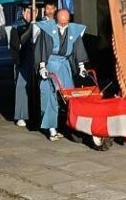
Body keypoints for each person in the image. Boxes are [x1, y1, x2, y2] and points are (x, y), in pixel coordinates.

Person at [35, 9, 88, 141]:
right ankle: (51, 128)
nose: (63, 25)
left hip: (65, 65)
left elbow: (78, 49)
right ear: (56, 20)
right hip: (50, 64)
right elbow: (43, 49)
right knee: (49, 95)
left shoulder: (74, 30)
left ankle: (72, 124)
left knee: (70, 96)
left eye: (66, 22)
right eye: (60, 22)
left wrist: (81, 67)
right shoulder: (47, 30)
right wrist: (42, 67)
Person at [7, 5, 37, 127]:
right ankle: (21, 116)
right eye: (29, 12)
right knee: (21, 87)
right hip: (23, 60)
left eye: (34, 12)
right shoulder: (16, 26)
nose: (31, 14)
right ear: (24, 12)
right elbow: (15, 46)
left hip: (37, 61)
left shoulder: (40, 25)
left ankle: (36, 114)